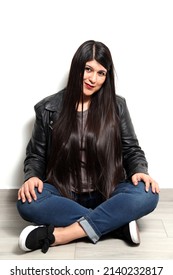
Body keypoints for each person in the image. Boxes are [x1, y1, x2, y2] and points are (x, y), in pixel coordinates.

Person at [17, 40, 159, 254]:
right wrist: (31, 177)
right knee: (26, 202)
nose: (93, 79)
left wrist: (140, 170)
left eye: (101, 73)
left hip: (108, 191)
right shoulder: (47, 108)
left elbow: (132, 150)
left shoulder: (117, 106)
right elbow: (35, 156)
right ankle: (117, 224)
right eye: (88, 69)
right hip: (63, 192)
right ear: (77, 68)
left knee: (148, 194)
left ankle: (62, 235)